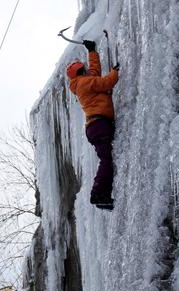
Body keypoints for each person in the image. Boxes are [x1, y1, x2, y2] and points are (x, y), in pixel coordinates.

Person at [67, 40, 120, 209]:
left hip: (95, 126)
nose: (87, 69)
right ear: (80, 72)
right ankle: (97, 195)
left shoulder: (83, 82)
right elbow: (105, 83)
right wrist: (115, 72)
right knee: (106, 160)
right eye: (84, 68)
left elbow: (95, 72)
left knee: (105, 159)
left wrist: (92, 51)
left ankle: (102, 195)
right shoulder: (84, 83)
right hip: (99, 124)